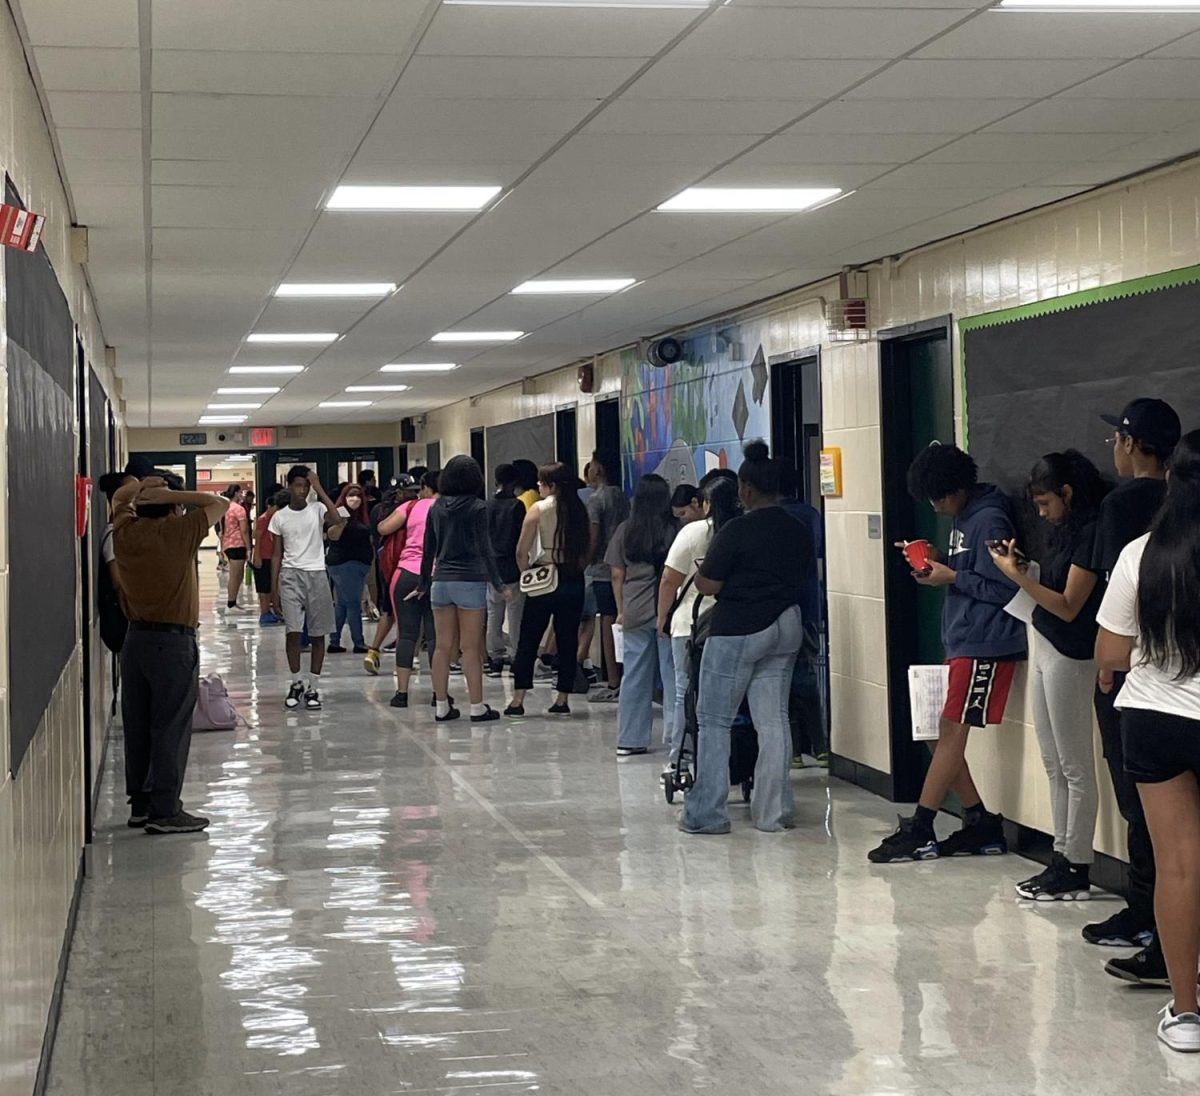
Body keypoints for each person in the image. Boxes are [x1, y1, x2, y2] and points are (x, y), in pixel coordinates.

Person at [868, 442, 1027, 863]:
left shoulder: (990, 518)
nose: (936, 506)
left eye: (939, 497)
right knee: (936, 735)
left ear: (957, 489)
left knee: (950, 733)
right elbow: (973, 570)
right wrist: (940, 561)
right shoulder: (965, 515)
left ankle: (922, 827)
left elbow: (1005, 586)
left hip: (986, 641)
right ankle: (978, 820)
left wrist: (952, 575)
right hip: (962, 637)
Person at [1095, 430, 1200, 1053]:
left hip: (1157, 721)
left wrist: (1154, 654)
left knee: (1180, 867)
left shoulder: (1143, 553)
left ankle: (1186, 1014)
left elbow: (1108, 653)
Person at [1083, 397, 1182, 979]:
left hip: (1142, 685)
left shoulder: (1125, 511)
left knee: (1142, 811)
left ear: (1130, 444)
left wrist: (1106, 667)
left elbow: (1109, 615)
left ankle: (1149, 921)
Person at [989, 451, 1109, 901]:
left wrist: (1015, 578)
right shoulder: (1064, 530)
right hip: (1043, 639)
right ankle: (1061, 854)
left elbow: (1069, 604)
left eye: (1045, 503)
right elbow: (1051, 591)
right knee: (1053, 761)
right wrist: (1024, 569)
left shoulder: (1093, 532)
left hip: (1072, 651)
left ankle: (1076, 863)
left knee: (1075, 765)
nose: (1040, 513)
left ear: (1067, 493)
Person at [679, 445, 815, 834]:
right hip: (786, 624)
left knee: (714, 721)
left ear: (748, 488)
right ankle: (773, 813)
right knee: (773, 721)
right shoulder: (797, 528)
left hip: (739, 627)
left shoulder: (736, 529)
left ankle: (706, 813)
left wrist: (705, 575)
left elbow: (709, 583)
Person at [112, 473, 229, 834]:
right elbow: (219, 504)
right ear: (175, 506)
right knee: (170, 727)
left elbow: (119, 500)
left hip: (135, 642)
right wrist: (171, 493)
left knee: (139, 726)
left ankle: (142, 805)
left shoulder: (125, 532)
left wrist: (141, 491)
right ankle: (165, 810)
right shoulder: (181, 532)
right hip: (173, 643)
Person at [657, 473, 741, 774]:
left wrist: (661, 617)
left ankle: (681, 758)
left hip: (690, 624)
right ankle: (733, 759)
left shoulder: (694, 533)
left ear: (706, 504)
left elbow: (669, 580)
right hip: (732, 625)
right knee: (730, 695)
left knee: (685, 692)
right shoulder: (741, 530)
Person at [419, 456, 506, 723]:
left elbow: (428, 549)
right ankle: (477, 706)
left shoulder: (435, 508)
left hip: (441, 581)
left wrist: (424, 583)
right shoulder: (479, 508)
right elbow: (485, 548)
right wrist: (498, 583)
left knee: (442, 647)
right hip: (470, 580)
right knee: (470, 647)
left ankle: (442, 705)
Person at [508, 462, 591, 717]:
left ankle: (518, 699)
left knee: (529, 638)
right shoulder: (579, 509)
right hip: (572, 577)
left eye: (542, 483)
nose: (538, 487)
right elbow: (588, 548)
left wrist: (527, 574)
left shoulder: (537, 509)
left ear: (552, 486)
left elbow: (522, 551)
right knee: (567, 638)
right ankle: (562, 698)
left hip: (544, 575)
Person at [607, 474, 677, 757]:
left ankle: (630, 739)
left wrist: (621, 610)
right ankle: (676, 738)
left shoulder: (627, 530)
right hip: (668, 610)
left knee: (634, 675)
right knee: (673, 676)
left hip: (635, 609)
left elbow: (616, 574)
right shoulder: (675, 529)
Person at [269, 465, 345, 711]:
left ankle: (313, 686)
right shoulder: (279, 517)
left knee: (318, 633)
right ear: (289, 487)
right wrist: (274, 589)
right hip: (290, 576)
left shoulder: (318, 509)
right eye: (298, 486)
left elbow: (336, 520)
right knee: (293, 631)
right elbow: (277, 555)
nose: (302, 491)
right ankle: (296, 682)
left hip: (316, 574)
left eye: (306, 486)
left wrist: (320, 488)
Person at [778, 463, 827, 767]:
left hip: (777, 607)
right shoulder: (810, 514)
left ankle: (794, 749)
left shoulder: (766, 518)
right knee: (806, 673)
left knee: (781, 678)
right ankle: (819, 745)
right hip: (808, 604)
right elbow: (820, 550)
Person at [380, 472, 439, 708]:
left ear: (425, 487)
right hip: (438, 576)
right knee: (436, 637)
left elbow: (383, 528)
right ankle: (439, 692)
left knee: (406, 634)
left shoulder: (410, 506)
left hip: (406, 573)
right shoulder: (447, 507)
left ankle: (402, 693)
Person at [585, 450, 630, 704]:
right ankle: (622, 678)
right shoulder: (622, 496)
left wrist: (584, 561)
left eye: (591, 464)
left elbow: (593, 536)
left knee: (608, 623)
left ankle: (613, 680)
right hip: (625, 566)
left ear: (599, 468)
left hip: (603, 568)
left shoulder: (596, 499)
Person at [486, 463, 526, 676]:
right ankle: (517, 656)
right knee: (515, 614)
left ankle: (495, 657)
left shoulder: (487, 505)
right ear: (514, 482)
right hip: (511, 564)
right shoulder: (516, 506)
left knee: (494, 613)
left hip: (492, 566)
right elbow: (521, 539)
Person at [327, 484, 374, 654]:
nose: (355, 499)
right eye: (351, 495)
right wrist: (341, 523)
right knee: (353, 603)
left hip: (359, 564)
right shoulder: (338, 515)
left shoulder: (362, 517)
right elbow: (332, 535)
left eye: (358, 495)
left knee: (343, 604)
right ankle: (358, 642)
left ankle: (334, 641)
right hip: (344, 564)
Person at [251, 491, 288, 626]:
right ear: (269, 507)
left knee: (270, 586)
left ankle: (272, 611)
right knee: (263, 587)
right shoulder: (262, 520)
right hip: (263, 556)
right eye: (276, 508)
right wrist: (257, 556)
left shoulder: (277, 520)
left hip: (272, 557)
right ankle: (264, 612)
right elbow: (258, 540)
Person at [221, 485, 250, 612]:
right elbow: (244, 530)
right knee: (236, 575)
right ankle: (231, 603)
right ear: (237, 493)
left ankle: (232, 601)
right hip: (238, 543)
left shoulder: (224, 507)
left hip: (228, 543)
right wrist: (249, 548)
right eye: (240, 492)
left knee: (235, 574)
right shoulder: (239, 509)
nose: (242, 495)